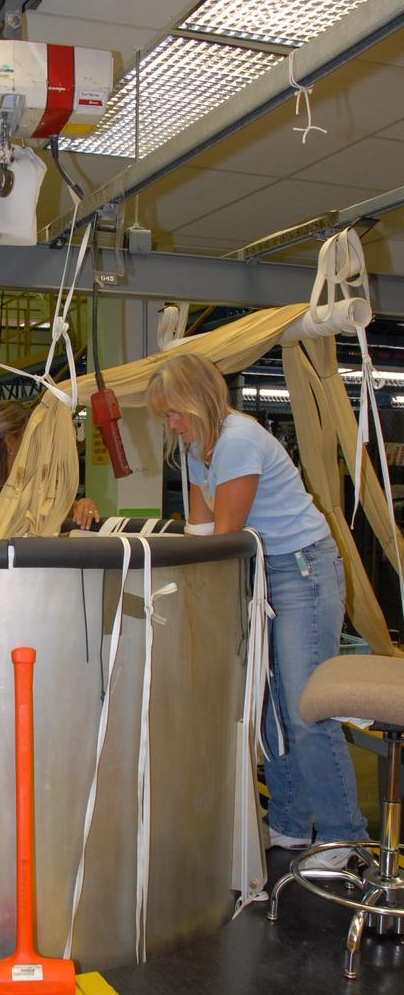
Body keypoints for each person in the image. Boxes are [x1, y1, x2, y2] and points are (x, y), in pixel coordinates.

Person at [146, 352, 366, 870]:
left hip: (302, 571)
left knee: (308, 710)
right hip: (267, 574)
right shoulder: (199, 446)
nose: (170, 425)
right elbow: (200, 531)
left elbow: (224, 538)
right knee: (272, 708)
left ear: (199, 401)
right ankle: (290, 824)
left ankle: (343, 835)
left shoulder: (239, 440)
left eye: (175, 413)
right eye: (165, 417)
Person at [0, 400, 101, 538]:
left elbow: (63, 506)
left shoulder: (27, 487)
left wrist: (82, 506)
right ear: (11, 442)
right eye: (31, 439)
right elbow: (0, 550)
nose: (36, 448)